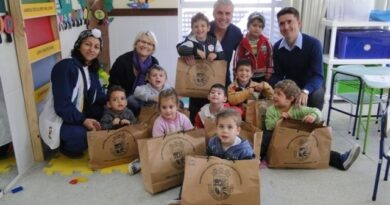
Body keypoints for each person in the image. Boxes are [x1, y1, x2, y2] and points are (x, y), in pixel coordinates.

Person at [262, 79, 360, 171]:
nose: (274, 96)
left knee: (316, 147)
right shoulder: (272, 110)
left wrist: (313, 116)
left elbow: (317, 111)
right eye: (274, 93)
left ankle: (341, 160)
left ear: (290, 99)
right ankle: (256, 157)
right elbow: (268, 125)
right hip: (278, 142)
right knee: (265, 136)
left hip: (296, 143)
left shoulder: (298, 109)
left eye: (278, 94)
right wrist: (279, 120)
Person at [167, 108, 255, 204]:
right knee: (189, 172)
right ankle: (182, 198)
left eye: (230, 127)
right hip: (214, 174)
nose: (225, 131)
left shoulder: (244, 150)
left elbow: (247, 173)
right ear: (216, 128)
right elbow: (207, 159)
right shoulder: (214, 141)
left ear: (238, 130)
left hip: (232, 180)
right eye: (221, 126)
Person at [49, 29, 106, 158]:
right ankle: (66, 147)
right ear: (78, 45)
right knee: (81, 137)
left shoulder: (90, 68)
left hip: (79, 112)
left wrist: (113, 101)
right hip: (62, 118)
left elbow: (97, 96)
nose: (92, 49)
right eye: (87, 44)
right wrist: (83, 120)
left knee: (108, 114)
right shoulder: (66, 67)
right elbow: (62, 106)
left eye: (96, 47)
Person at [269, 7, 325, 110]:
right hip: (290, 86)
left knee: (317, 94)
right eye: (281, 24)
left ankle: (313, 124)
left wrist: (305, 91)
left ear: (299, 23)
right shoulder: (277, 47)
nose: (286, 27)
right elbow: (278, 74)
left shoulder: (314, 44)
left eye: (289, 22)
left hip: (309, 86)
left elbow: (318, 76)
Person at [128, 88, 194, 175]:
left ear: (177, 106)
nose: (168, 110)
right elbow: (158, 143)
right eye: (164, 107)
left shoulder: (183, 118)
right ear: (159, 108)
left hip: (180, 146)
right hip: (164, 148)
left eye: (171, 107)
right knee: (154, 158)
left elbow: (191, 134)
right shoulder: (159, 122)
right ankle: (140, 163)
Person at [177, 12, 225, 123]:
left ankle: (209, 126)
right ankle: (194, 126)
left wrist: (216, 55)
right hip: (193, 83)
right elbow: (181, 50)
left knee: (208, 105)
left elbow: (224, 55)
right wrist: (195, 50)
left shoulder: (214, 41)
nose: (200, 29)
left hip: (209, 81)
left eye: (203, 26)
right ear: (192, 29)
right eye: (196, 26)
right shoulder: (190, 41)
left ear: (208, 27)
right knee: (193, 106)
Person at [109, 30, 159, 116]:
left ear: (153, 48)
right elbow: (114, 85)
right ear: (136, 44)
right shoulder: (122, 61)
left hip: (146, 95)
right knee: (133, 102)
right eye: (143, 42)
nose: (145, 45)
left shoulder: (154, 62)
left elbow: (158, 83)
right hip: (125, 98)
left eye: (150, 44)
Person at [234, 11, 273, 82]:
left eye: (260, 26)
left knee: (261, 92)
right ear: (248, 26)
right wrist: (235, 72)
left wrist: (269, 71)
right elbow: (237, 58)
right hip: (246, 76)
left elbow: (270, 56)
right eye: (254, 25)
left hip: (263, 76)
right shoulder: (242, 43)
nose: (257, 28)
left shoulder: (266, 42)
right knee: (247, 92)